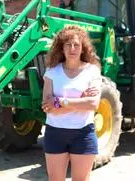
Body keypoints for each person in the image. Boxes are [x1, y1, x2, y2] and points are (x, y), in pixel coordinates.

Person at [42, 25, 102, 181]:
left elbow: (93, 104)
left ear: (83, 48)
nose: (72, 48)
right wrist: (80, 99)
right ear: (61, 48)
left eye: (76, 45)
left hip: (83, 134)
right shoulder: (52, 71)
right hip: (55, 133)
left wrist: (62, 101)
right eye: (68, 45)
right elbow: (47, 107)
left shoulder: (92, 71)